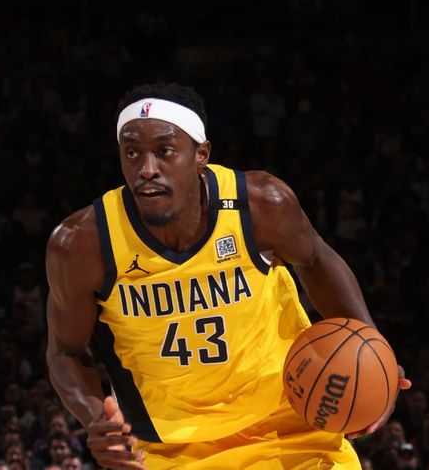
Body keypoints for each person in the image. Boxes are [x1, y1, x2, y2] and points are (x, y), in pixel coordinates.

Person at [45, 83, 410, 469]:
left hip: (291, 427)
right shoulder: (82, 244)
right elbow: (65, 351)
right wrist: (97, 420)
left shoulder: (261, 205)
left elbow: (316, 259)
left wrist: (374, 346)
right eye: (131, 152)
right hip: (169, 451)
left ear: (201, 154)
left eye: (164, 151)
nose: (146, 169)